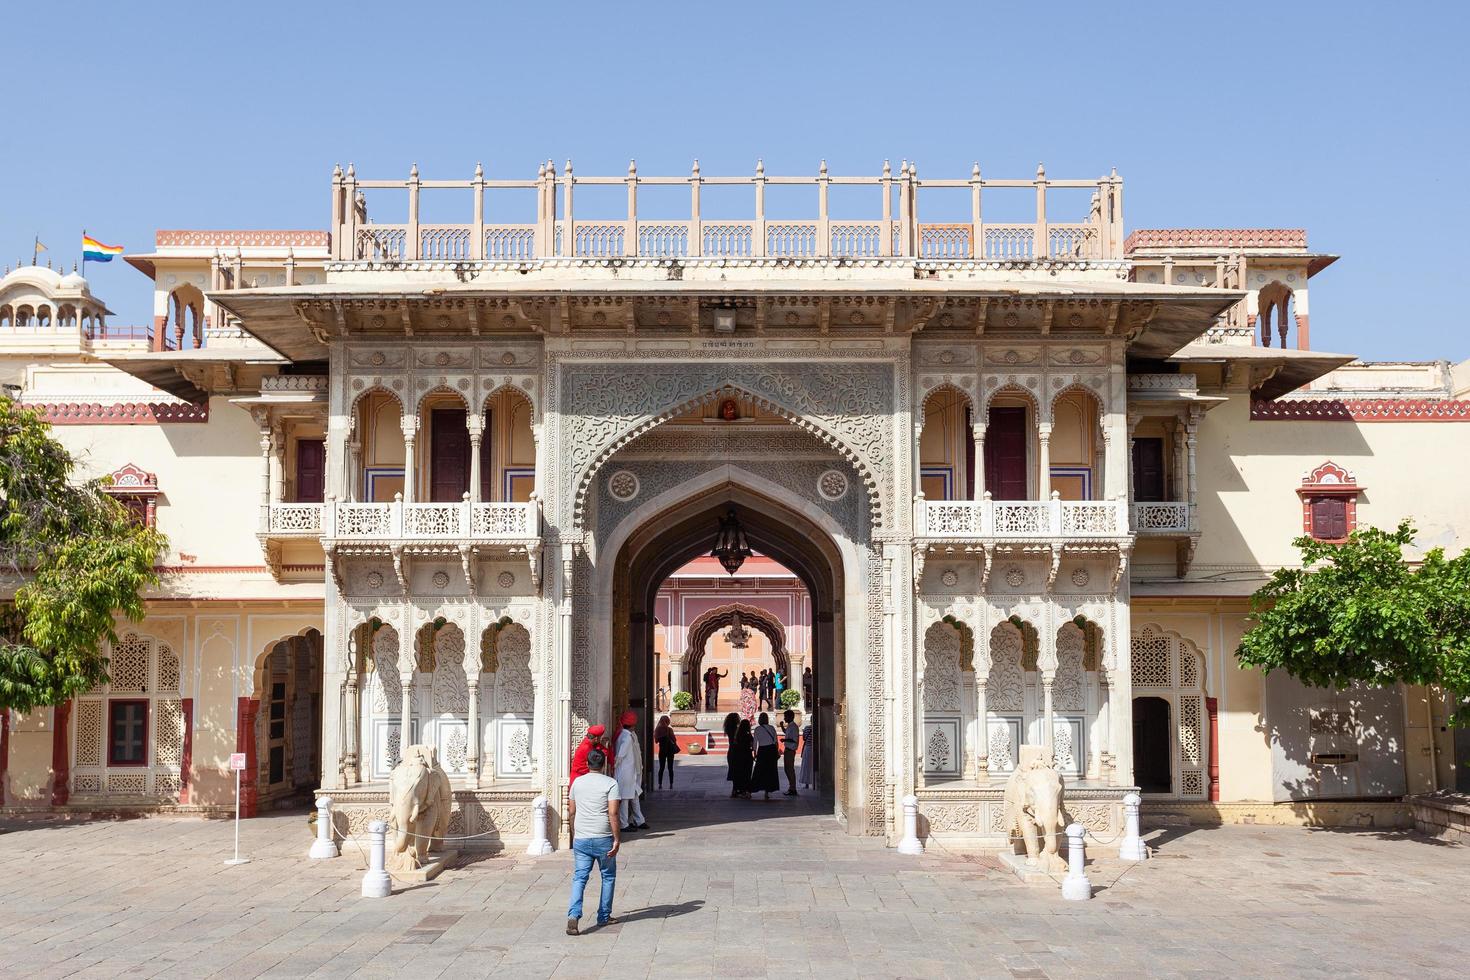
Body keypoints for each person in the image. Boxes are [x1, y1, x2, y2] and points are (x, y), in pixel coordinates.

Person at [566, 748, 620, 935]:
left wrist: (574, 833)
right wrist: (617, 839)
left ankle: (573, 916)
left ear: (587, 764)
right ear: (603, 764)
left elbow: (571, 811)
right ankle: (604, 916)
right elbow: (613, 813)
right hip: (602, 836)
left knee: (580, 878)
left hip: (581, 837)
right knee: (608, 876)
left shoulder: (577, 783)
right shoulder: (610, 783)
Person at [613, 711, 647, 831]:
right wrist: (615, 766)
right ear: (632, 724)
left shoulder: (629, 734)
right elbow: (621, 754)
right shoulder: (626, 736)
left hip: (632, 770)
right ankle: (624, 823)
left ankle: (639, 820)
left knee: (634, 795)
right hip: (625, 772)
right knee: (626, 797)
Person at [750, 712, 781, 800]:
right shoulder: (772, 728)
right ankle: (767, 791)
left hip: (762, 751)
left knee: (758, 771)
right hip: (771, 751)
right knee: (770, 771)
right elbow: (775, 742)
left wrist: (754, 753)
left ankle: (751, 790)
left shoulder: (757, 729)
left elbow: (755, 743)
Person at [654, 714, 680, 789]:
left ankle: (660, 784)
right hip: (670, 751)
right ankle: (671, 784)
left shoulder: (657, 730)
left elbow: (656, 741)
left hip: (662, 750)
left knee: (661, 768)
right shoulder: (669, 729)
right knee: (670, 768)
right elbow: (674, 740)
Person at [731, 718, 755, 799]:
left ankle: (737, 790)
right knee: (747, 774)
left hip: (738, 756)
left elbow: (735, 745)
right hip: (747, 756)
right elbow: (752, 746)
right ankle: (746, 791)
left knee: (739, 773)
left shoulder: (737, 735)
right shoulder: (749, 736)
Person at [781, 708, 800, 796]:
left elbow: (794, 740)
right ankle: (791, 787)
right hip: (787, 749)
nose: (784, 719)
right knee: (787, 769)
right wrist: (782, 726)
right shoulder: (790, 726)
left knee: (790, 770)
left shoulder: (794, 727)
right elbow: (786, 733)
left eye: (785, 717)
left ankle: (793, 788)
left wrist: (785, 740)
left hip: (790, 750)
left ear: (790, 717)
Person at [723, 712, 742, 796]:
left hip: (731, 751)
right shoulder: (737, 729)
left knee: (733, 770)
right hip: (738, 751)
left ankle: (735, 789)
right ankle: (737, 789)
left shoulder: (728, 728)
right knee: (739, 771)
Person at [798, 721, 815, 789]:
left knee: (806, 766)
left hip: (807, 748)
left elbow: (804, 738)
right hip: (814, 748)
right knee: (813, 766)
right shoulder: (817, 728)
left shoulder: (806, 728)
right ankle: (815, 783)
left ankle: (806, 784)